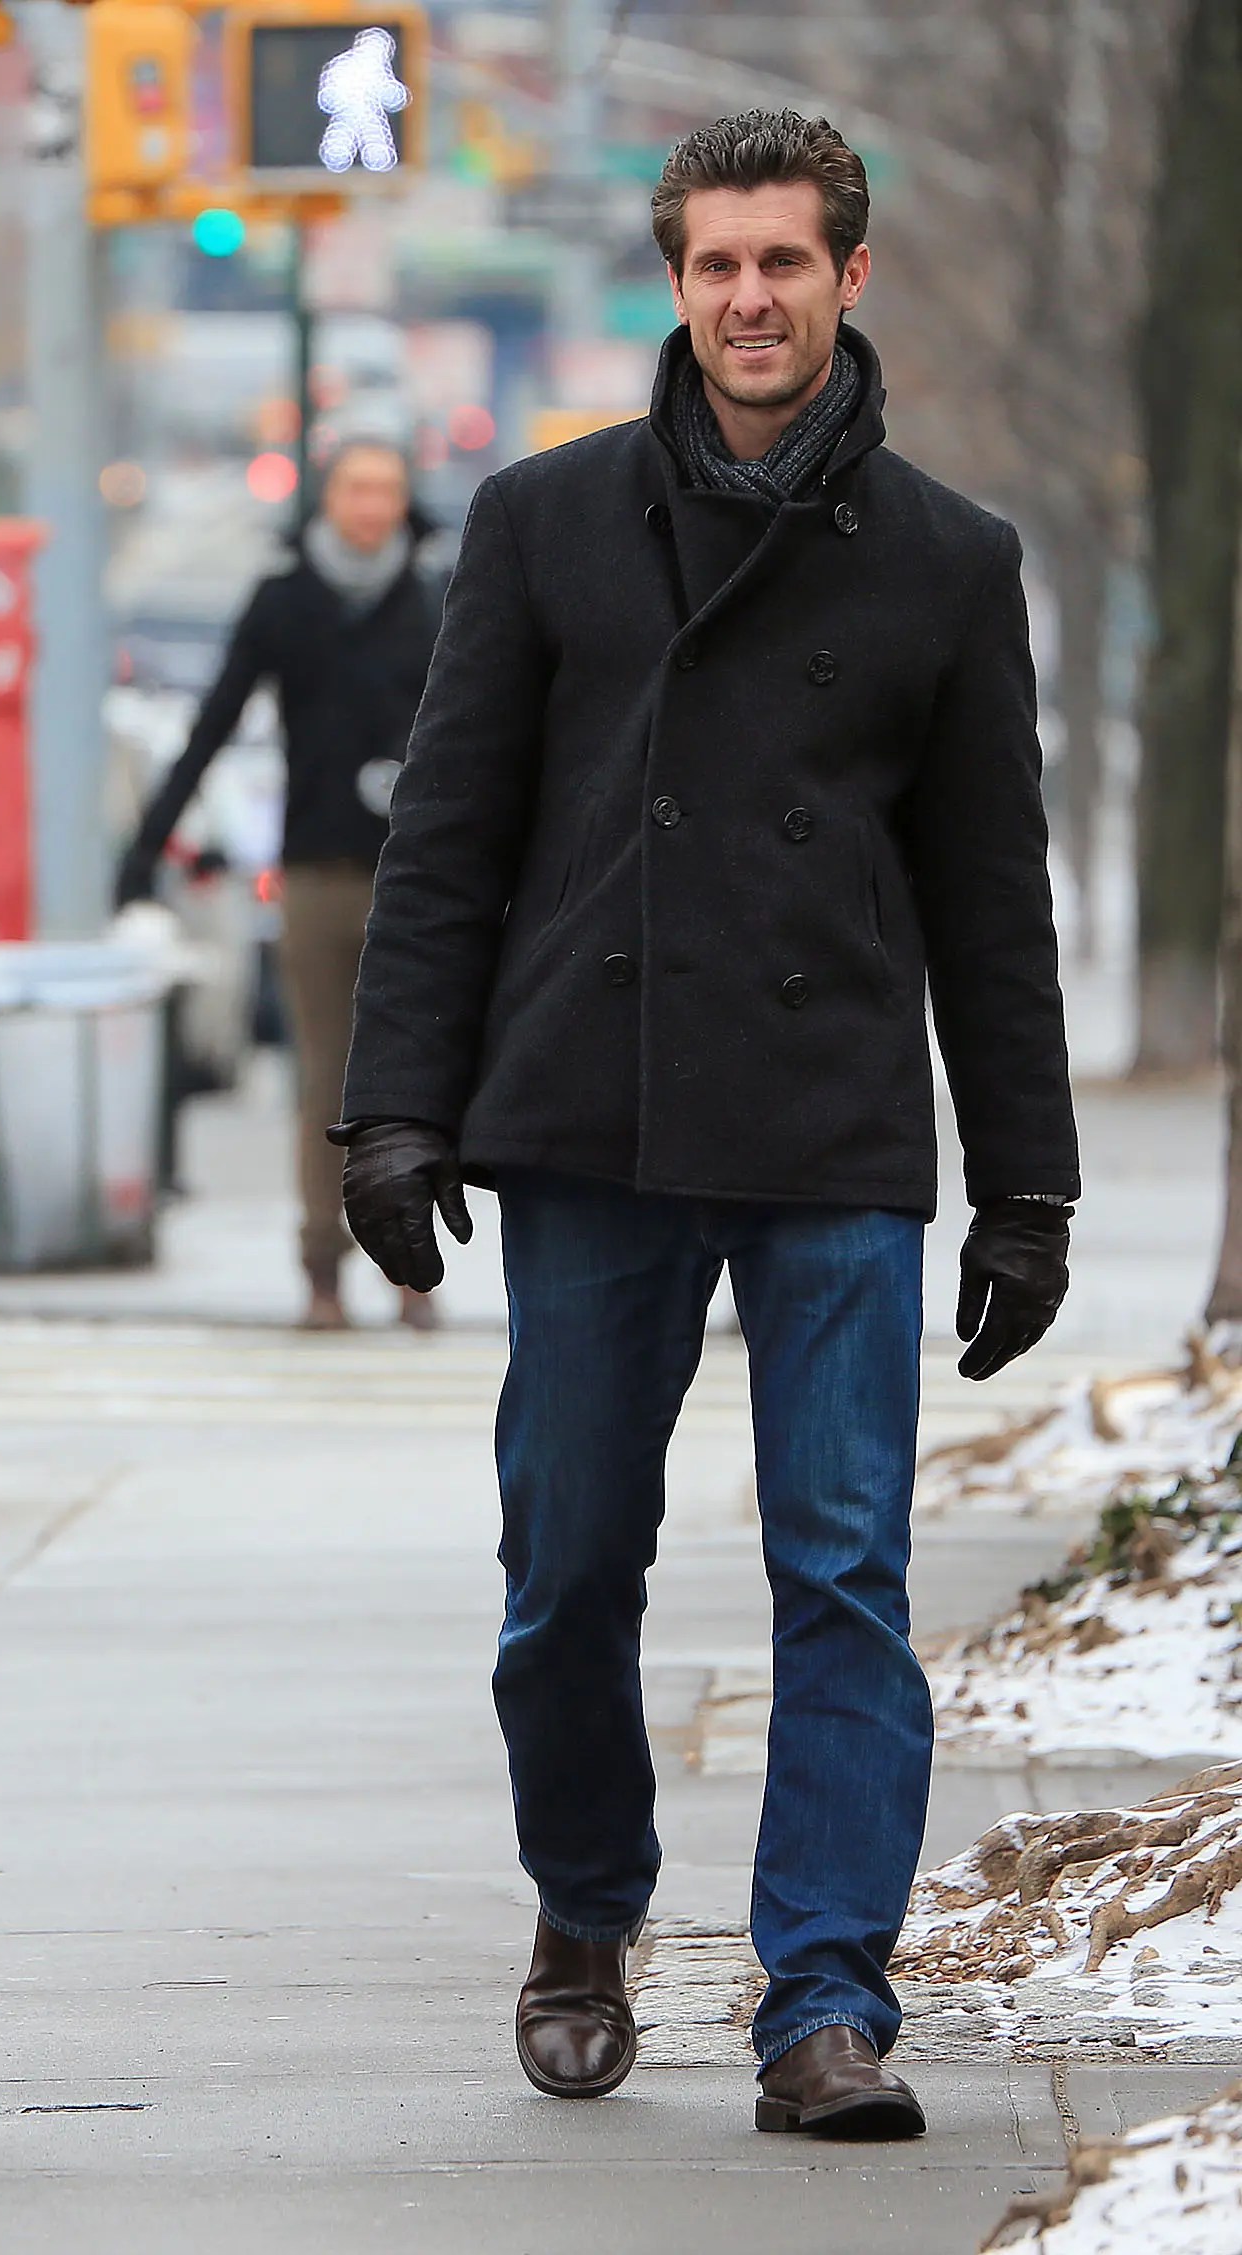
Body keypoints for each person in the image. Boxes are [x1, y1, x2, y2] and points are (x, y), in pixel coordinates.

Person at [337, 112, 1076, 2142]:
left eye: (785, 262)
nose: (749, 298)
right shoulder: (545, 521)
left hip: (831, 1123)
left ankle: (824, 1992)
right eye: (715, 264)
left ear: (853, 276)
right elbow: (449, 846)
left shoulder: (947, 558)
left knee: (843, 1566)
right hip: (590, 1111)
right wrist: (393, 1112)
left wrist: (1029, 1179)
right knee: (569, 1559)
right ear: (676, 285)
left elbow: (990, 900)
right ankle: (588, 1906)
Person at [114, 440, 443, 1331]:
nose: (370, 505)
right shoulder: (288, 600)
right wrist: (149, 842)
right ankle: (323, 1268)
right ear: (327, 500)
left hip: (421, 881)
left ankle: (416, 1269)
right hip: (315, 875)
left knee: (420, 1079)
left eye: (385, 489)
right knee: (325, 1080)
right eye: (354, 488)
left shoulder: (436, 598)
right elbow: (216, 718)